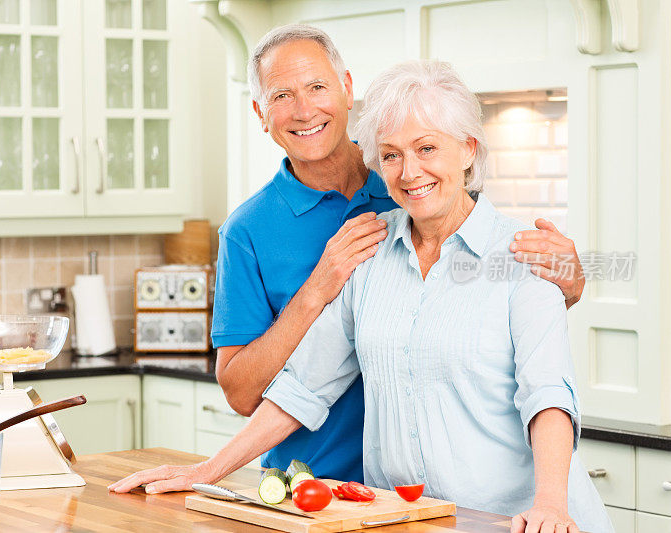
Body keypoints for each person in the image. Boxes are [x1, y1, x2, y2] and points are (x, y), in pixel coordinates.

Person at [109, 60, 612, 533]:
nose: (409, 171)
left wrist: (549, 503)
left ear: (469, 150)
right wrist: (208, 470)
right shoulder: (368, 249)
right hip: (408, 518)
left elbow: (547, 394)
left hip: (519, 521)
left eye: (428, 148)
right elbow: (305, 387)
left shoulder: (526, 253)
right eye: (391, 155)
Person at [204, 24, 586, 485]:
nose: (409, 170)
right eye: (282, 96)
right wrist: (317, 289)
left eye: (317, 86)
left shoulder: (437, 209)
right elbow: (278, 390)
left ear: (347, 89)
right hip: (329, 489)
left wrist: (567, 285)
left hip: (472, 504)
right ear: (260, 113)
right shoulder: (264, 233)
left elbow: (539, 377)